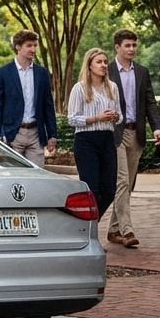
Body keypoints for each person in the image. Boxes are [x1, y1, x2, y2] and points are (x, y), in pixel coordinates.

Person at [106, 29, 160, 249]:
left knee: (127, 184)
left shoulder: (142, 71)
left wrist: (157, 128)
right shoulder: (107, 70)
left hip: (136, 132)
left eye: (134, 45)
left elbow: (150, 102)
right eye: (127, 45)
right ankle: (127, 230)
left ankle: (113, 229)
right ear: (117, 47)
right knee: (121, 181)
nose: (132, 49)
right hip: (115, 133)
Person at [0, 30, 58, 164]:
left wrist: (52, 134)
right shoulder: (2, 73)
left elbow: (48, 106)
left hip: (36, 134)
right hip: (13, 134)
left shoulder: (42, 73)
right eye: (29, 45)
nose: (33, 49)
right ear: (18, 47)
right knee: (12, 176)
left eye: (35, 45)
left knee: (37, 177)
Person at [67, 48, 120, 217]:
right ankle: (86, 227)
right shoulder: (79, 88)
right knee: (92, 190)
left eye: (105, 61)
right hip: (86, 141)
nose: (104, 65)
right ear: (89, 65)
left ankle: (89, 224)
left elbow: (120, 116)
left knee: (109, 191)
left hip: (107, 139)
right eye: (99, 62)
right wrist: (96, 118)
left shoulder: (112, 87)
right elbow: (72, 119)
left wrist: (115, 116)